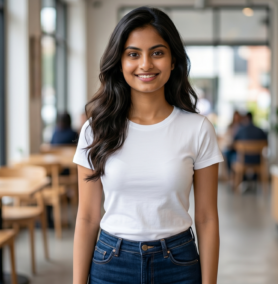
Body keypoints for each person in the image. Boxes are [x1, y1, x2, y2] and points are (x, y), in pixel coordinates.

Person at [73, 7, 224, 284]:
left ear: (173, 60)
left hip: (178, 263)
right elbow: (87, 217)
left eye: (157, 52)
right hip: (111, 263)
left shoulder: (198, 129)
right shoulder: (96, 129)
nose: (145, 64)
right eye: (133, 54)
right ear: (119, 62)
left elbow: (206, 217)